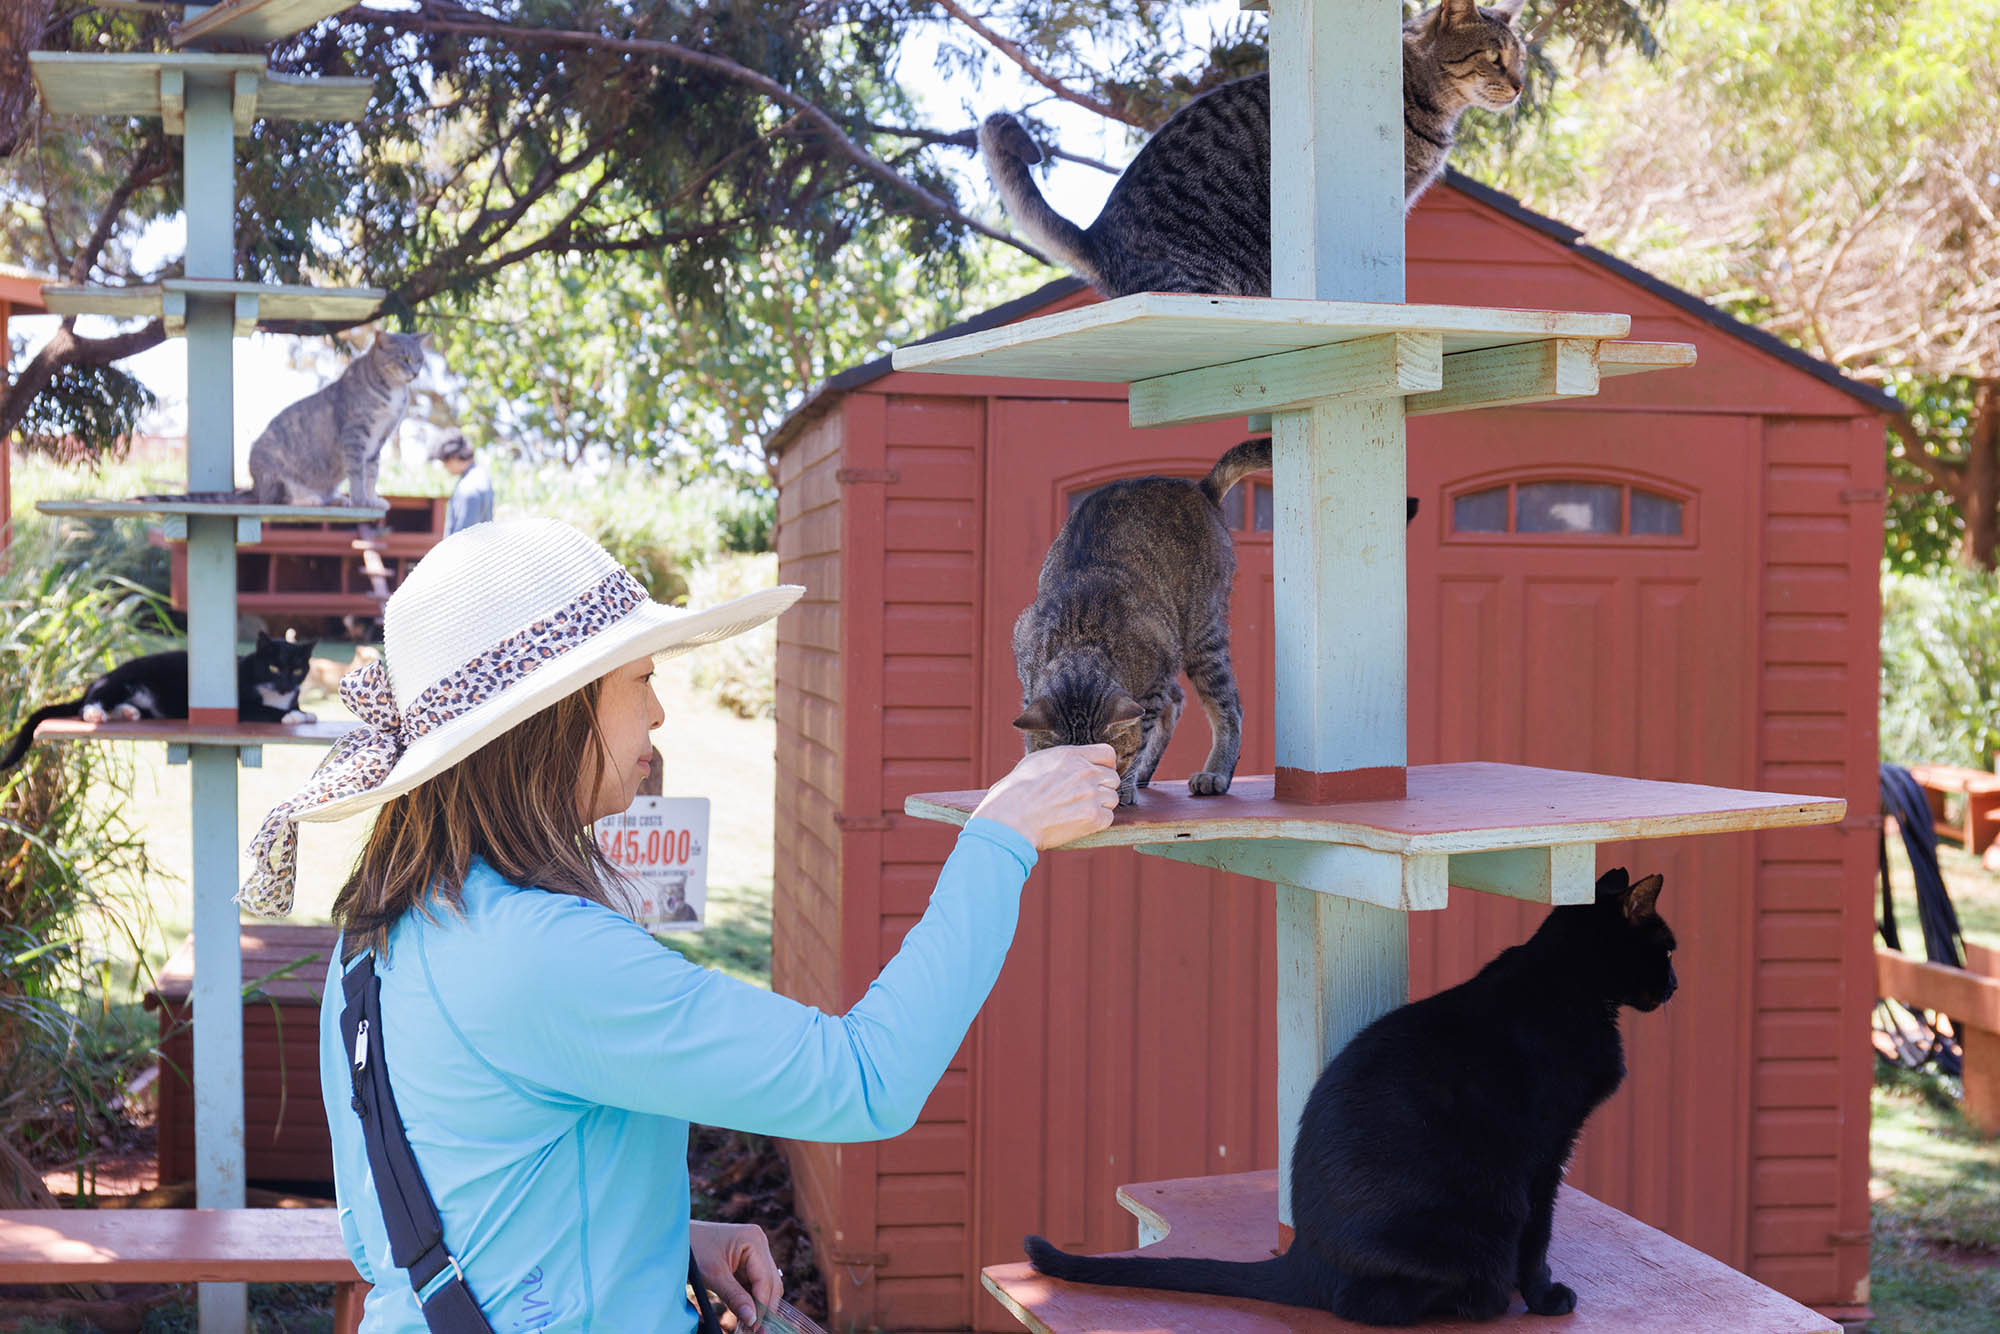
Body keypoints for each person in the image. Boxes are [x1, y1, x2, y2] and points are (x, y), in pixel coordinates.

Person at [240, 518, 1118, 1333]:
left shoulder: (383, 923)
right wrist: (1000, 839)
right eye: (641, 679)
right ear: (552, 715)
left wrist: (659, 1236)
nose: (658, 713)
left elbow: (407, 1206)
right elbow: (864, 1079)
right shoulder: (546, 957)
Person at [431, 430, 494, 535]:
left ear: (454, 458)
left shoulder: (467, 489)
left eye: (445, 462)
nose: (445, 467)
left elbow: (462, 538)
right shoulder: (482, 477)